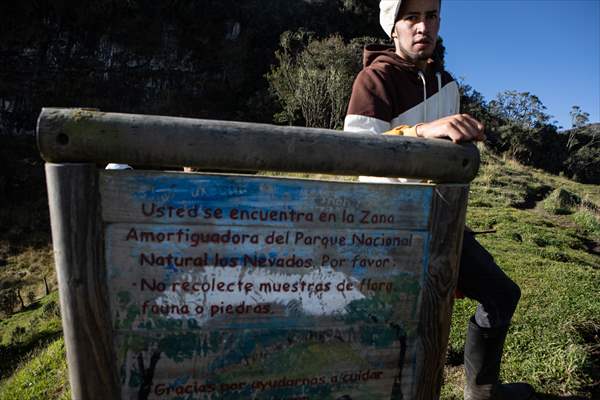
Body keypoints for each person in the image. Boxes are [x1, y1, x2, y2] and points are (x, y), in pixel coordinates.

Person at [344, 1, 535, 399]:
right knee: (398, 329)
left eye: (431, 16)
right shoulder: (373, 79)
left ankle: (481, 392)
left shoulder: (449, 86)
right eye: (411, 17)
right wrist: (422, 130)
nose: (422, 26)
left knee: (502, 295)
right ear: (392, 27)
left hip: (444, 222)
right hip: (388, 226)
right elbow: (357, 154)